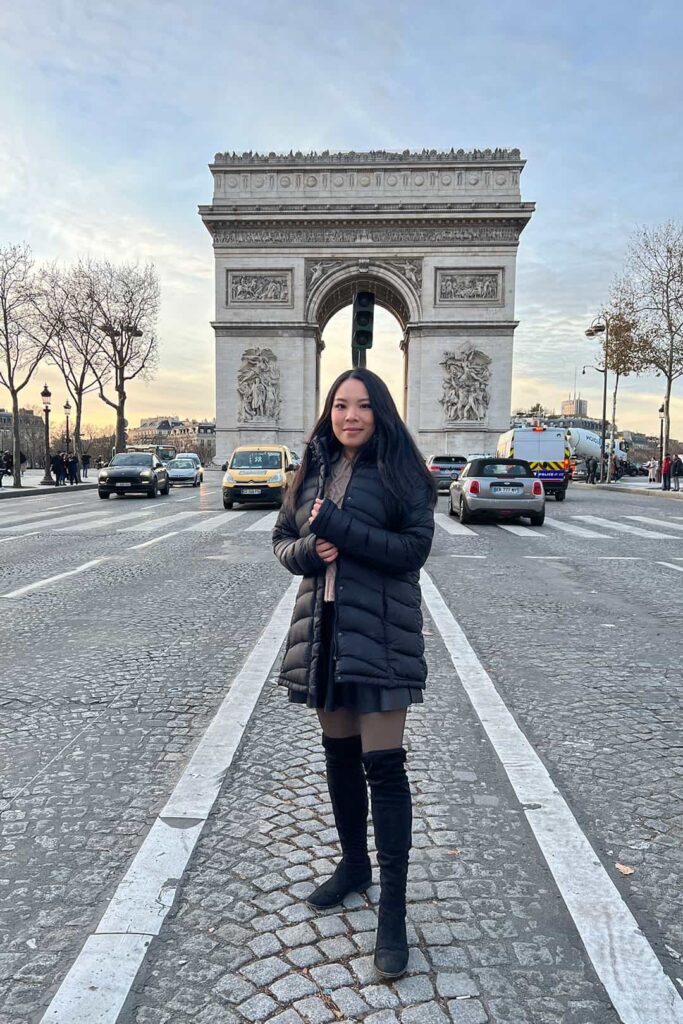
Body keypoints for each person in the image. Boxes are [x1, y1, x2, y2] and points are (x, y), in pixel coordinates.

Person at [272, 368, 437, 979]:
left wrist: (339, 528)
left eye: (363, 406)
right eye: (340, 405)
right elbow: (283, 540)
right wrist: (309, 551)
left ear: (381, 411)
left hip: (383, 636)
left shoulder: (401, 472)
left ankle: (392, 912)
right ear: (328, 411)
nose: (350, 416)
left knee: (384, 768)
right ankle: (352, 865)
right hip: (324, 632)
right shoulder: (310, 469)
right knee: (338, 755)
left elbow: (414, 551)